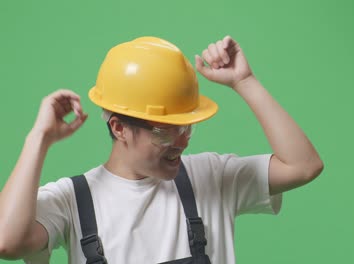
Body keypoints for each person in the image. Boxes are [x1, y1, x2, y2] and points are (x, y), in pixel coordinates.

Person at [0, 35, 323, 263]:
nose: (182, 141)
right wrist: (38, 138)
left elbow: (303, 166)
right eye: (164, 132)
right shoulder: (71, 199)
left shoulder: (212, 176)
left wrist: (245, 81)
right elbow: (7, 243)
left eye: (187, 127)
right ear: (119, 128)